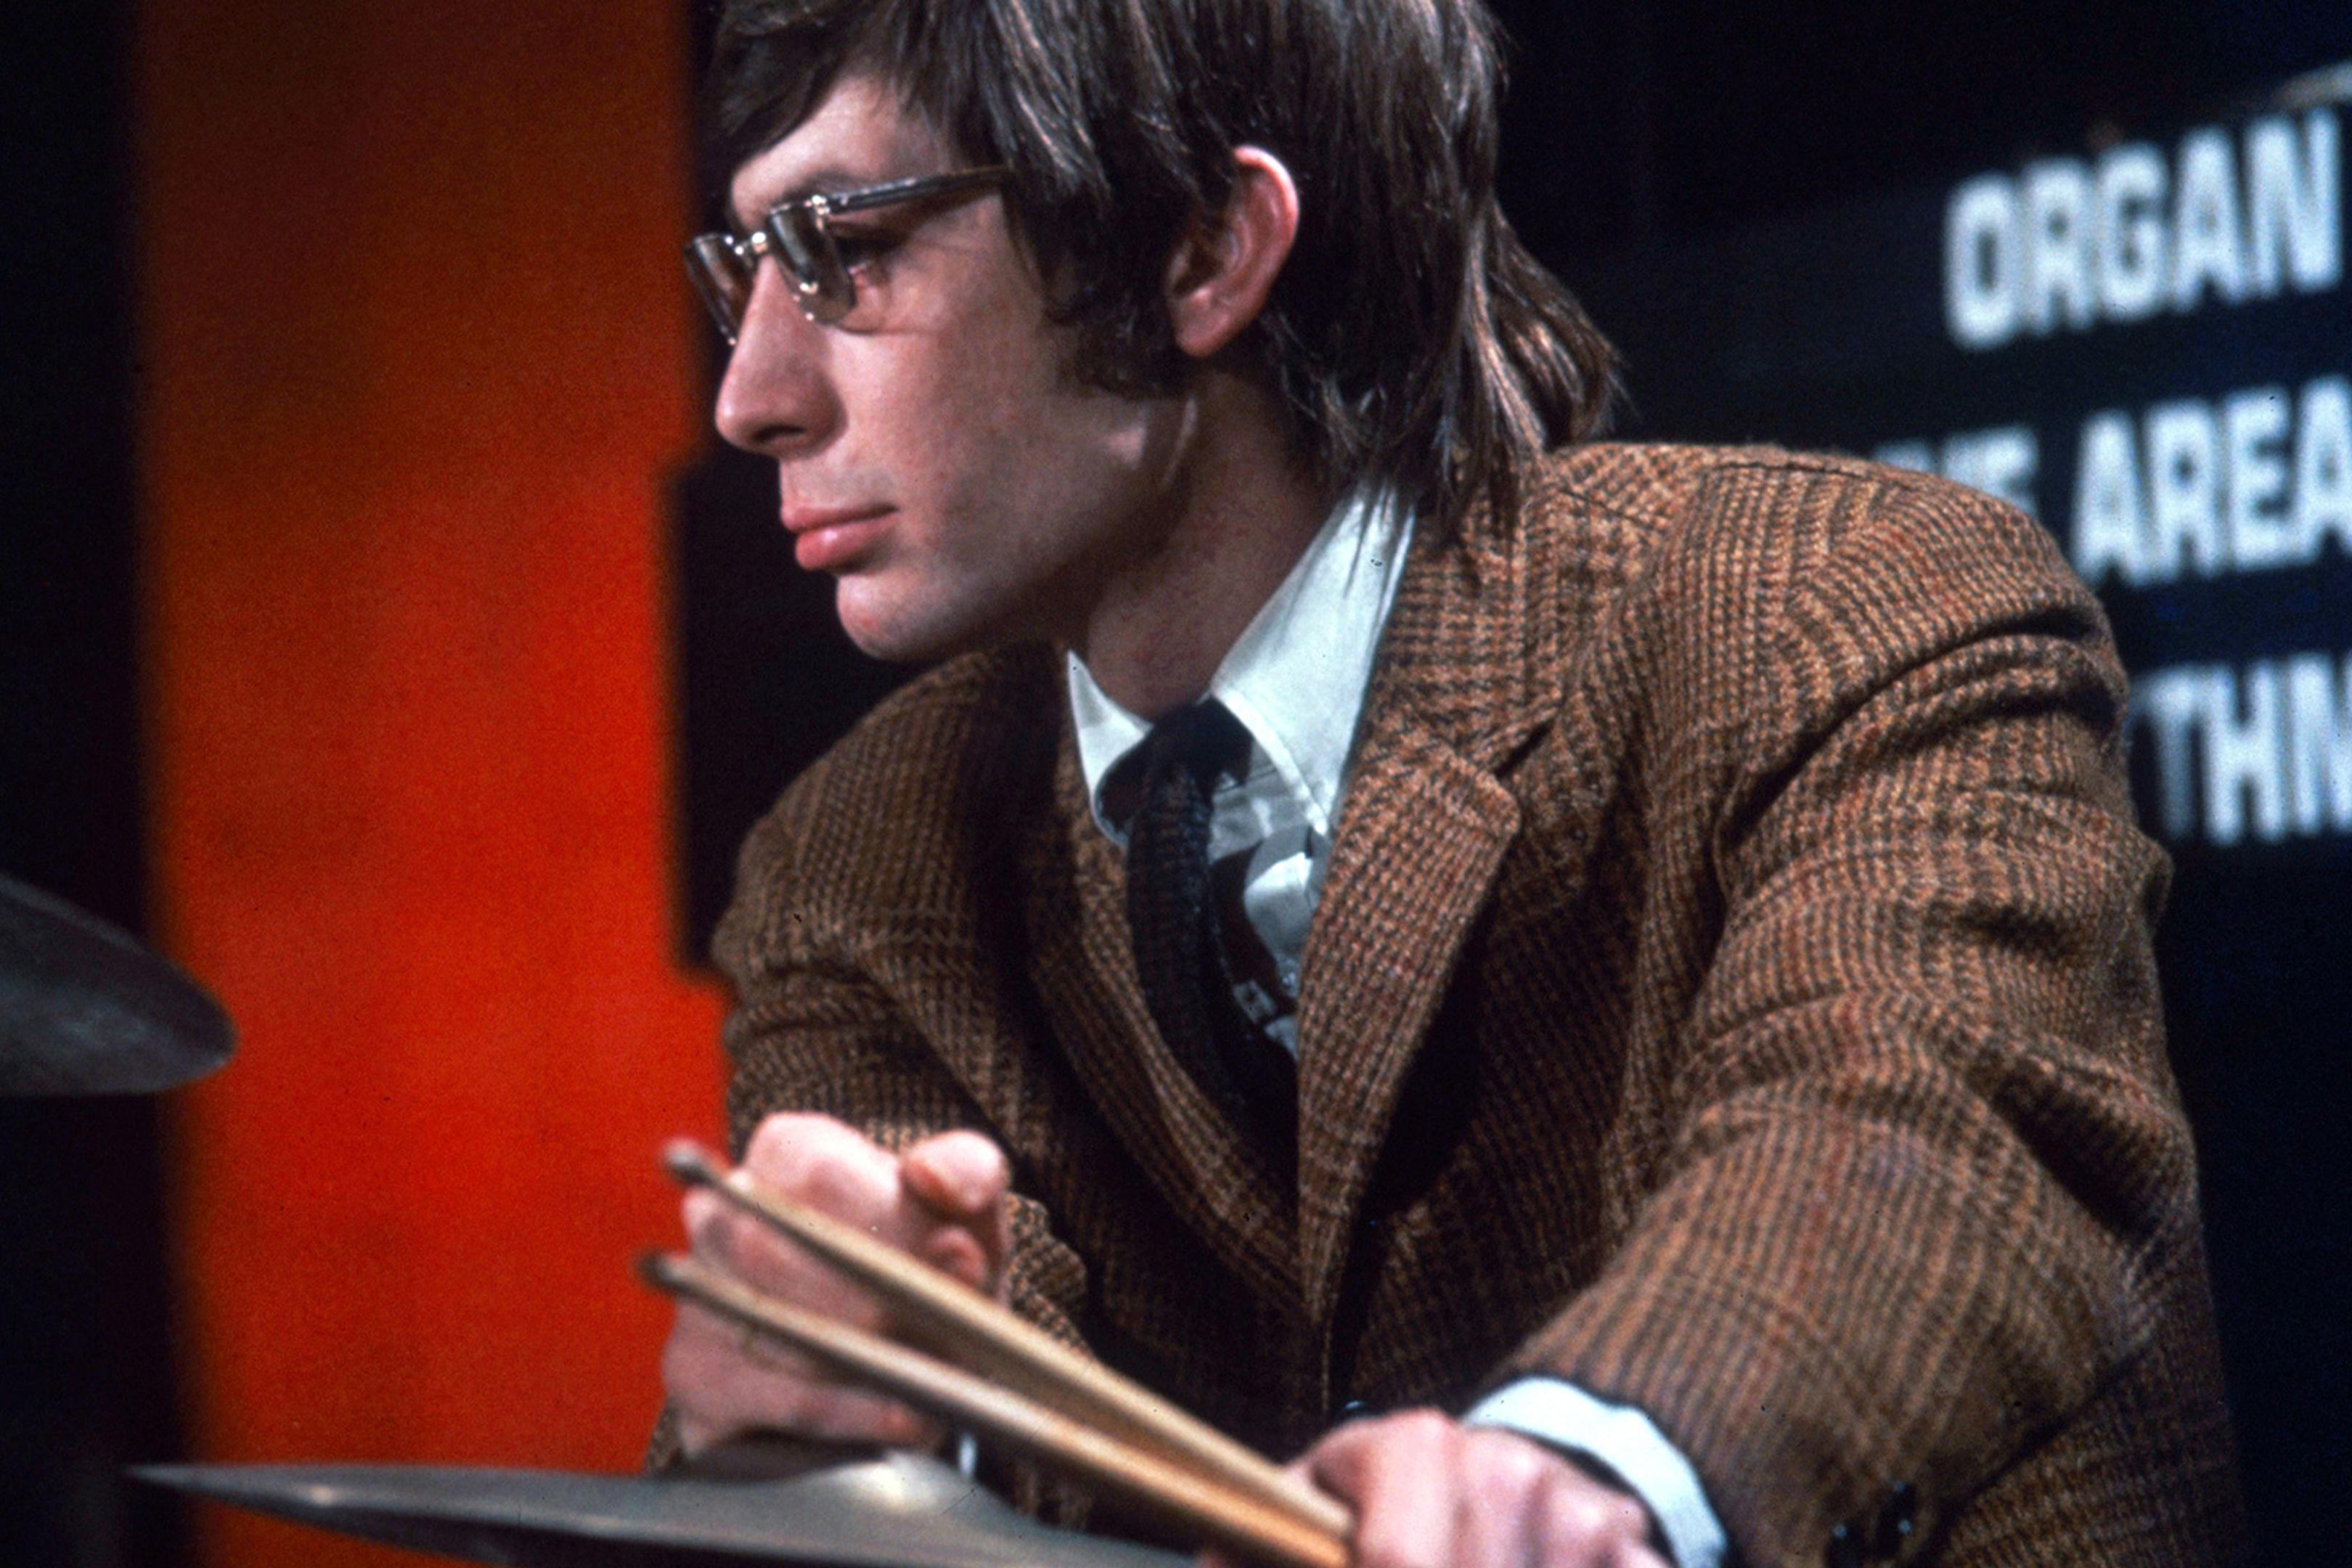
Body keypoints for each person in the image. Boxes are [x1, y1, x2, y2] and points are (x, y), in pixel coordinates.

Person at [656, 1, 2245, 1564]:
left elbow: (1915, 1130)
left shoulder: (1848, 602)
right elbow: (940, 1374)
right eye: (745, 272)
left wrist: (1586, 1468)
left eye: (841, 250)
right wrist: (849, 1402)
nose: (752, 394)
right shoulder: (853, 864)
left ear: (1201, 250)